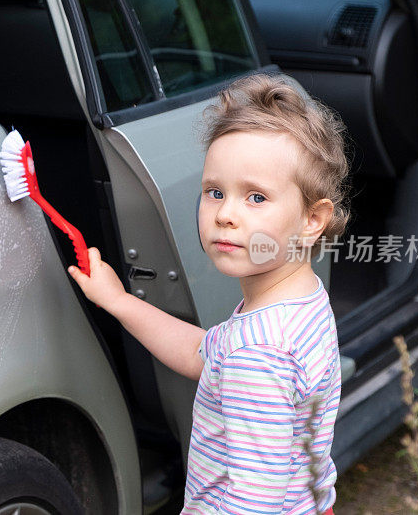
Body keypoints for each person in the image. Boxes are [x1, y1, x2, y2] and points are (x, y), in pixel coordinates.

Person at [67, 73, 349, 514]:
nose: (226, 215)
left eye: (256, 197)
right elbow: (206, 354)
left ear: (312, 219)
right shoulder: (300, 301)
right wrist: (119, 300)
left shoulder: (258, 354)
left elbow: (254, 506)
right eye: (214, 192)